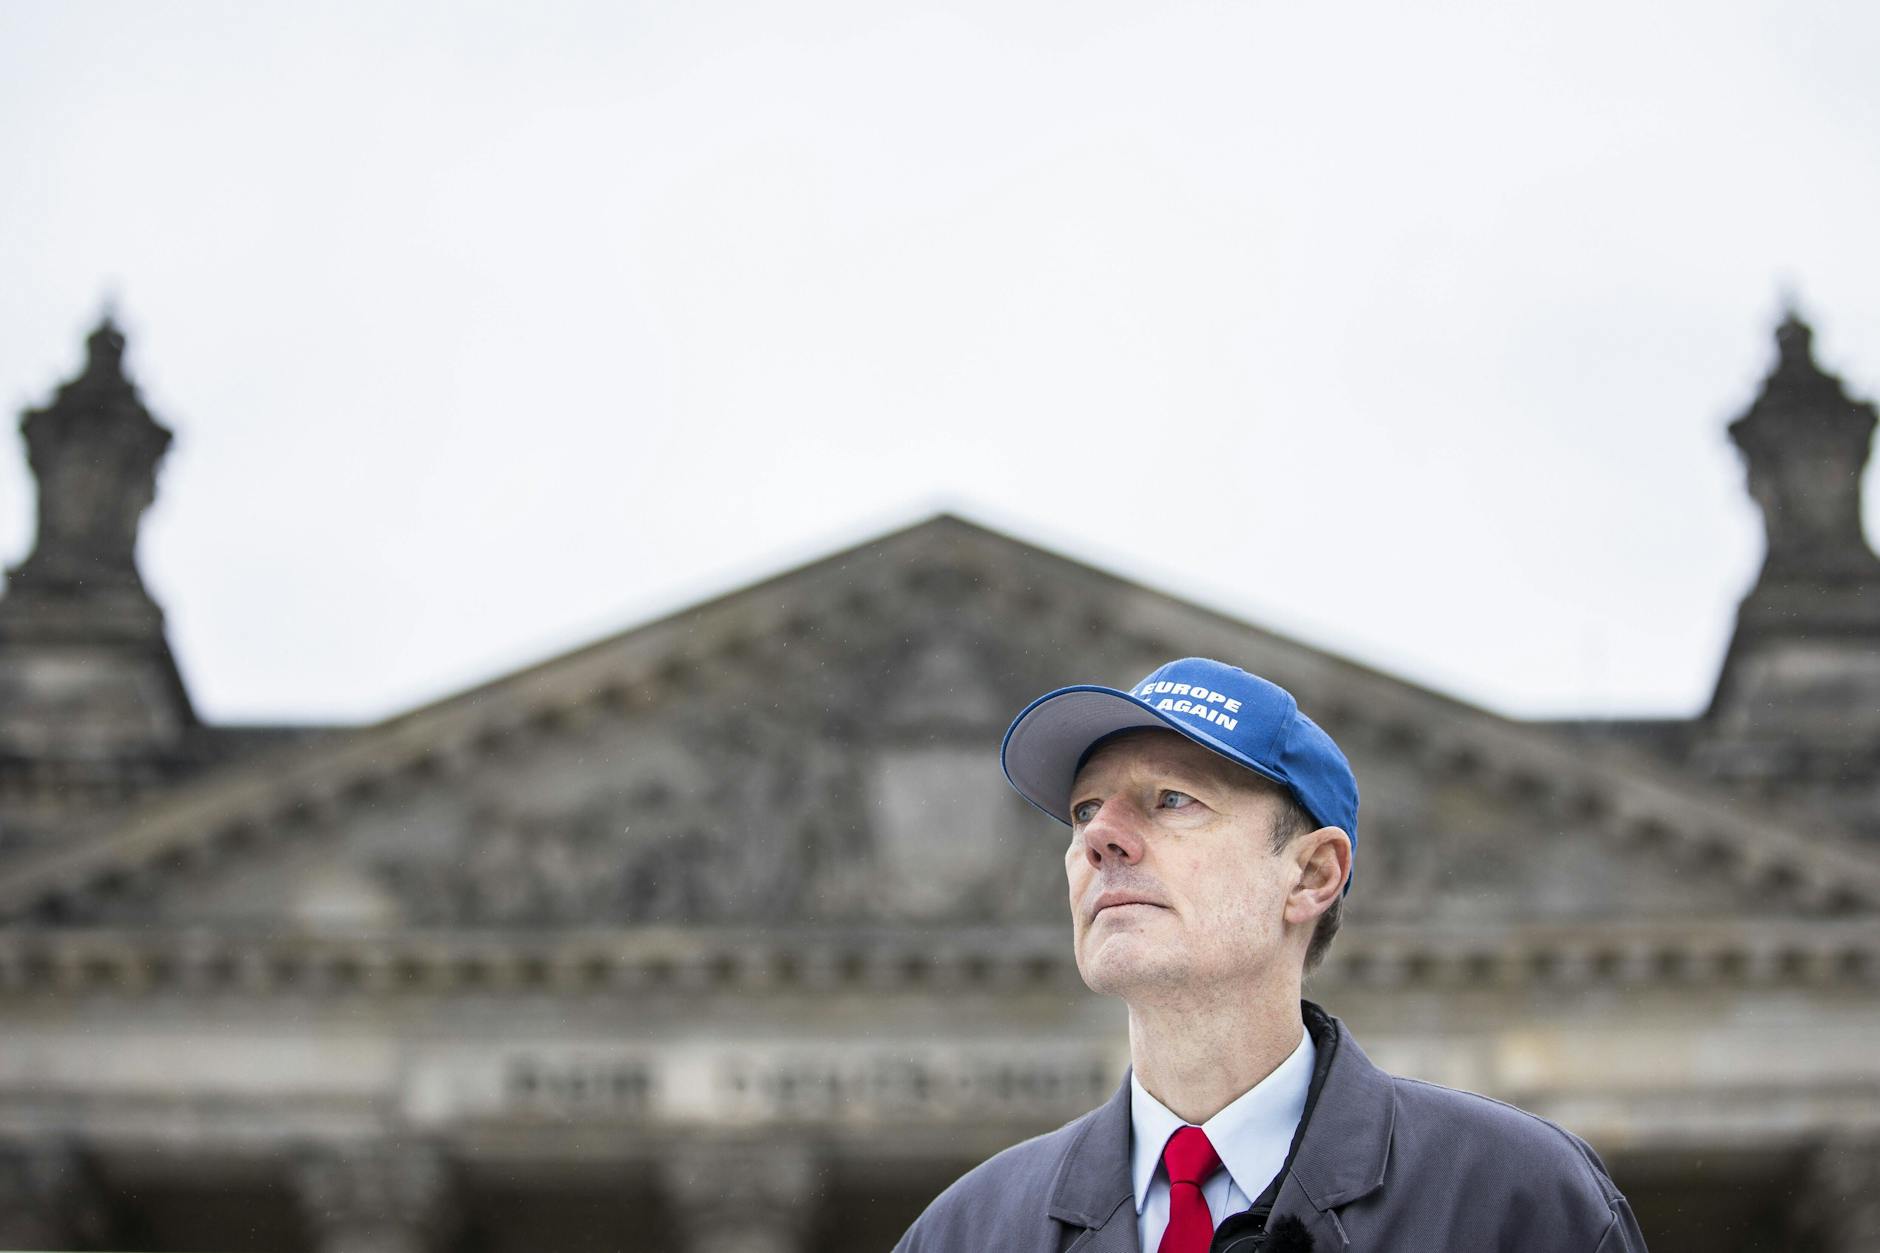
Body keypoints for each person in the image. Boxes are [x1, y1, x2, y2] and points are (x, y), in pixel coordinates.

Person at [893, 657, 1647, 1252]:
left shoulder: (1517, 1201)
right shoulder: (964, 1233)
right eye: (1085, 809)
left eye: (1172, 799)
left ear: (1312, 874)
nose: (1099, 837)